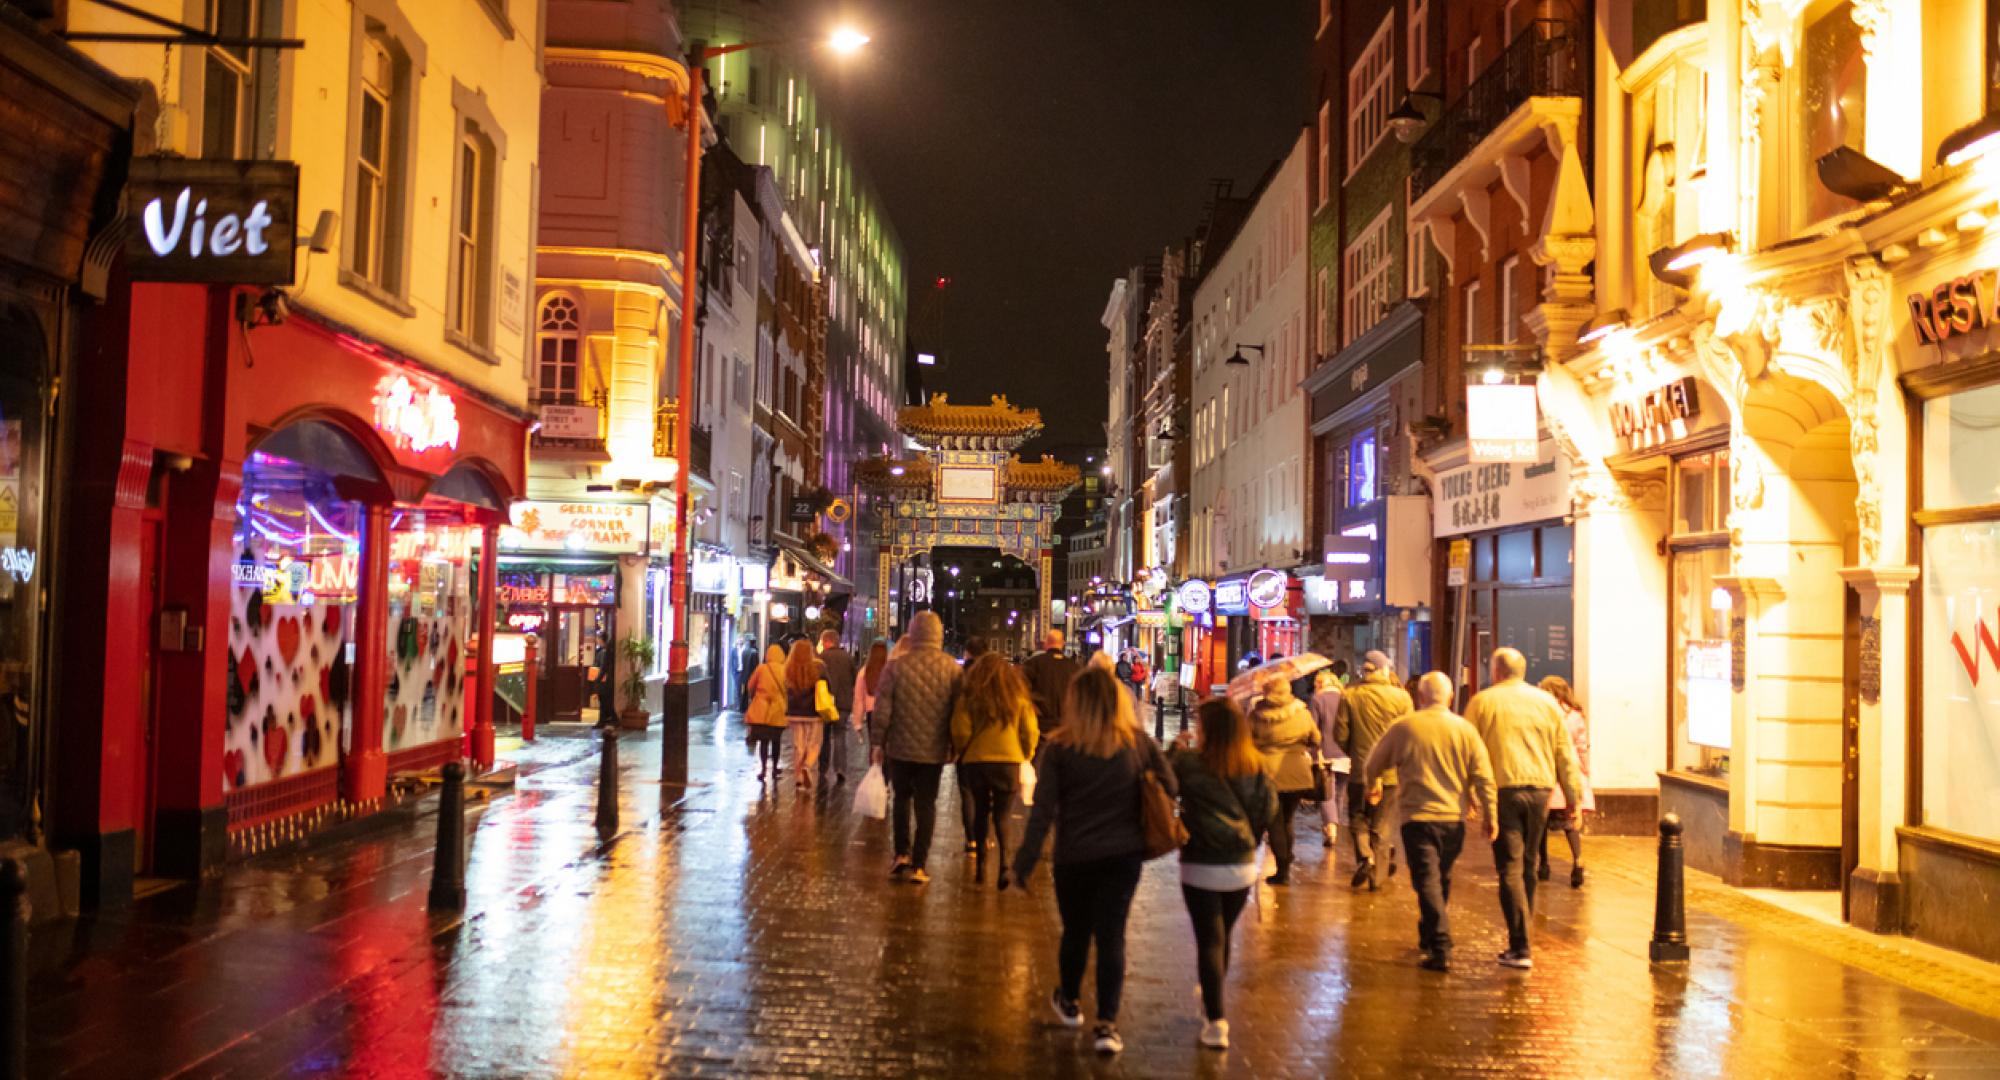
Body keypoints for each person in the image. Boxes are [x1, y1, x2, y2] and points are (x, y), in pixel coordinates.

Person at [1012, 666, 1175, 1056]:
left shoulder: (1059, 748)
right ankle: (1107, 1024)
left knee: (1076, 931)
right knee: (1112, 935)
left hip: (1074, 855)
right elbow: (1171, 784)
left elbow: (1042, 812)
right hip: (1124, 855)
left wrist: (1024, 861)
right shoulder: (1137, 743)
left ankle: (1069, 1001)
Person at [1362, 672, 1498, 973]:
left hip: (1417, 817)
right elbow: (1484, 776)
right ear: (1450, 697)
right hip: (1453, 819)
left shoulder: (1404, 727)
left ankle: (1440, 943)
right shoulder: (1465, 730)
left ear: (1420, 697)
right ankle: (1429, 933)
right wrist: (1491, 814)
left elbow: (1373, 763)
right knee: (1441, 877)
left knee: (1426, 880)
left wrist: (1372, 785)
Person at [1462, 648, 1584, 970]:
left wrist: (1469, 794)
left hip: (1503, 789)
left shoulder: (1482, 702)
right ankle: (1522, 936)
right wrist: (1574, 798)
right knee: (1529, 864)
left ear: (1496, 671)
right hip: (1541, 790)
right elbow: (1565, 754)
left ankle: (1520, 944)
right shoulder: (1547, 703)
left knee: (1510, 867)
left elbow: (1468, 750)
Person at [1169, 698, 1277, 1051]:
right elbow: (1267, 811)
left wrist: (1175, 748)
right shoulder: (1256, 764)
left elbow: (1164, 782)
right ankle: (1212, 997)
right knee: (1223, 936)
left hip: (1199, 861)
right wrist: (1249, 837)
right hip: (1241, 864)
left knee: (1208, 940)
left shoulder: (1190, 763)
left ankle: (1216, 1020)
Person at [870, 611, 962, 885]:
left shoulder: (896, 667)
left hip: (899, 746)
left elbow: (882, 710)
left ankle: (901, 853)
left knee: (900, 798)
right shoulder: (952, 669)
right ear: (938, 634)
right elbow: (959, 712)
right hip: (933, 749)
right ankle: (920, 863)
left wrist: (878, 742)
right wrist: (955, 744)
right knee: (926, 804)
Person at [952, 653, 1040, 886]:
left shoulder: (971, 696)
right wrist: (1025, 754)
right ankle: (1004, 864)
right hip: (1008, 762)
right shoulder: (1017, 698)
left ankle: (981, 864)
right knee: (1003, 816)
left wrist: (964, 749)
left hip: (977, 761)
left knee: (981, 812)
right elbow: (1030, 730)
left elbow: (960, 729)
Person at [1336, 650, 1413, 890]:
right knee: (1382, 824)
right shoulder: (1402, 698)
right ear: (1384, 671)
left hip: (1361, 770)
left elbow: (1340, 734)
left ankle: (1365, 856)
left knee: (1358, 816)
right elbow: (1409, 733)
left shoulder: (1350, 696)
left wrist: (1354, 753)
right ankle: (1377, 878)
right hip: (1390, 773)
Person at [1249, 673, 1319, 886]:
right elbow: (1315, 738)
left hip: (1269, 773)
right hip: (1298, 772)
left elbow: (1246, 740)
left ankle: (1283, 868)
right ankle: (1286, 860)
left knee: (1274, 822)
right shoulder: (1301, 712)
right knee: (1287, 819)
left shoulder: (1257, 714)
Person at [1537, 675, 1594, 888]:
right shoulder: (1576, 716)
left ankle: (1543, 863)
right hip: (1570, 774)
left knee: (1541, 822)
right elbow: (1582, 746)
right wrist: (1585, 772)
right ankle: (1577, 859)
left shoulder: (1545, 714)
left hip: (1548, 773)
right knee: (1570, 823)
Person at [782, 640, 831, 792]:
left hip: (795, 712)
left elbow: (785, 688)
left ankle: (799, 779)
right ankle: (807, 766)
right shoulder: (819, 667)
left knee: (799, 745)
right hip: (814, 712)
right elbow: (829, 686)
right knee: (815, 743)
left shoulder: (789, 667)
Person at [1307, 668, 1347, 849]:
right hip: (1346, 753)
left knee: (1326, 792)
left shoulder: (1317, 700)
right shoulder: (1347, 698)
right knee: (1340, 792)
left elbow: (1312, 728)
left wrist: (1314, 751)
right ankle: (1335, 822)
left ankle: (1331, 827)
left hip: (1325, 753)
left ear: (1320, 684)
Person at [1020, 630, 1081, 738]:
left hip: (1040, 724)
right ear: (1063, 644)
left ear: (1046, 644)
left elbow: (1021, 691)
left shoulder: (1033, 664)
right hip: (1065, 725)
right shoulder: (1074, 668)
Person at [742, 644, 789, 782]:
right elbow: (788, 689)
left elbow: (750, 685)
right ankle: (774, 767)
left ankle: (763, 769)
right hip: (778, 710)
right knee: (776, 740)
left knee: (763, 741)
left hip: (761, 710)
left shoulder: (761, 669)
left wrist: (755, 697)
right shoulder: (784, 670)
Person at [817, 631, 856, 786]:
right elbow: (854, 678)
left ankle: (823, 767)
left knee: (824, 737)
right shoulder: (848, 658)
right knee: (840, 736)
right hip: (843, 704)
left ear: (827, 641)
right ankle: (840, 768)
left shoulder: (822, 658)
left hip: (826, 704)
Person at [851, 640, 888, 752]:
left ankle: (874, 766)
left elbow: (859, 700)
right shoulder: (891, 670)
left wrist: (857, 723)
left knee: (874, 746)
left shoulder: (864, 672)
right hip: (889, 712)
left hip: (872, 712)